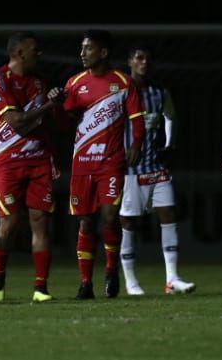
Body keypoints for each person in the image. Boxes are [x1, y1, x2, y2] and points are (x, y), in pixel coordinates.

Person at [60, 29, 144, 300]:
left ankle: (110, 270)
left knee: (109, 216)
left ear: (103, 52)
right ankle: (85, 283)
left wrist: (136, 145)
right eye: (82, 48)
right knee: (85, 223)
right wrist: (58, 108)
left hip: (111, 162)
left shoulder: (122, 82)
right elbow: (64, 123)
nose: (82, 53)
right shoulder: (73, 84)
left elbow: (137, 118)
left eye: (88, 48)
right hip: (82, 163)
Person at [0, 31, 65, 303]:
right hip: (8, 163)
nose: (39, 54)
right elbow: (17, 122)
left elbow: (47, 124)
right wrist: (48, 106)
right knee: (9, 224)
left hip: (39, 161)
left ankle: (41, 288)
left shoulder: (41, 82)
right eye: (35, 49)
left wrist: (52, 155)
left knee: (41, 223)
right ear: (19, 54)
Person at [119, 43, 194, 296]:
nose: (144, 63)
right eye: (139, 58)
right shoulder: (120, 92)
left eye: (148, 59)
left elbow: (170, 116)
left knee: (168, 215)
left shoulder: (158, 91)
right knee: (128, 222)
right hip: (130, 170)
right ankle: (130, 280)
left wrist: (169, 144)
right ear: (129, 61)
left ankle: (172, 279)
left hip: (156, 166)